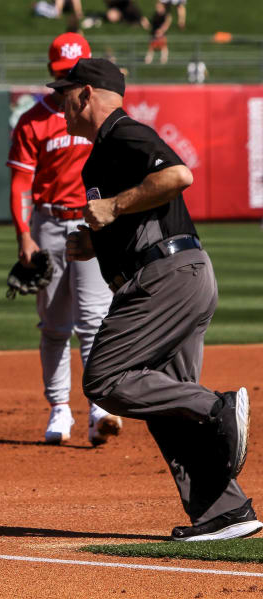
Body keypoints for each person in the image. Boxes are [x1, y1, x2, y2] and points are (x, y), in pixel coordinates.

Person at [52, 57, 261, 541]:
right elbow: (134, 213)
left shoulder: (123, 132)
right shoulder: (102, 152)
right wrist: (96, 241)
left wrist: (112, 205)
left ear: (85, 95)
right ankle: (225, 514)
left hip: (165, 276)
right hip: (177, 274)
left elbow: (177, 177)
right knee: (169, 406)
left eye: (65, 92)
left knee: (105, 378)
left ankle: (217, 408)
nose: (59, 101)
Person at [7, 33, 122, 446]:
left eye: (74, 74)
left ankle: (99, 407)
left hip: (94, 224)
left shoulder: (104, 117)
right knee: (55, 325)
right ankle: (59, 409)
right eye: (62, 75)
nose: (68, 82)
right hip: (50, 223)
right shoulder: (33, 120)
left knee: (93, 321)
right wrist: (24, 235)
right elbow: (21, 181)